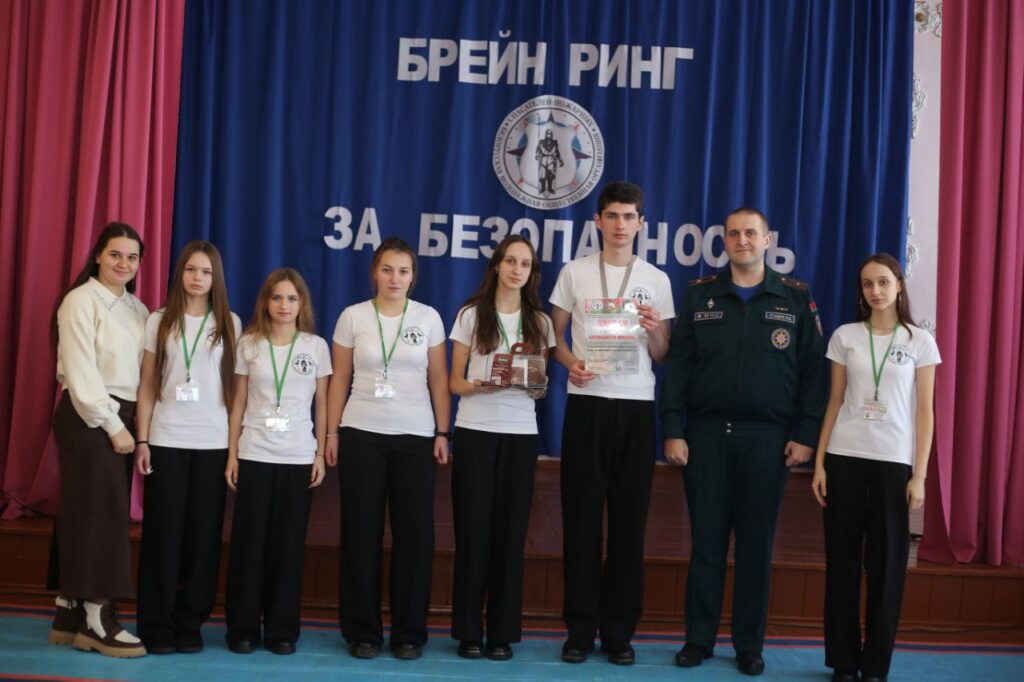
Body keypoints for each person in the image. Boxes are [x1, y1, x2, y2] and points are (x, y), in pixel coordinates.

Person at [660, 207, 826, 676]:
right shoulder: (701, 295)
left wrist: (806, 435)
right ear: (725, 242)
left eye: (751, 233)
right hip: (706, 438)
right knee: (706, 546)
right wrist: (672, 428)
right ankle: (698, 640)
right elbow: (679, 367)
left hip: (767, 440)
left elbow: (814, 374)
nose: (742, 240)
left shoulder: (795, 297)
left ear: (768, 239)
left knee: (756, 548)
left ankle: (749, 645)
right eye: (733, 234)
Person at [549, 180, 674, 665]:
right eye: (613, 216)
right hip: (588, 404)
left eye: (629, 217)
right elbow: (553, 336)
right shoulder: (575, 272)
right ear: (598, 221)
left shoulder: (656, 279)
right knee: (581, 521)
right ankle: (580, 631)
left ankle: (620, 633)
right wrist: (570, 364)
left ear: (641, 224)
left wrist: (655, 330)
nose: (620, 225)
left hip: (636, 408)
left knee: (629, 524)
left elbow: (662, 354)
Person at [811, 253, 939, 682]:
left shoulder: (919, 341)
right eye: (868, 284)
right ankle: (844, 662)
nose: (876, 291)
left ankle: (875, 665)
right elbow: (834, 401)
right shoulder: (845, 336)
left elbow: (925, 412)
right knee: (842, 562)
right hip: (844, 457)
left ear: (899, 285)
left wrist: (919, 475)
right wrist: (820, 464)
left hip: (893, 464)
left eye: (884, 282)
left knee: (887, 566)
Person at [325, 237, 450, 661]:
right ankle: (362, 631)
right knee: (361, 533)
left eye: (403, 271)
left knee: (415, 536)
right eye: (387, 269)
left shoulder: (428, 317)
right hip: (361, 434)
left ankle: (409, 632)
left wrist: (443, 432)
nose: (395, 278)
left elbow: (438, 378)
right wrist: (332, 434)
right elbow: (340, 379)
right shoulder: (352, 316)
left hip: (416, 437)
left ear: (413, 277)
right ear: (374, 273)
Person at [448, 235, 556, 661]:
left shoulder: (540, 322)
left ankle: (502, 633)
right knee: (473, 531)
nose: (516, 269)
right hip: (475, 430)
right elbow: (454, 382)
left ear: (532, 273)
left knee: (511, 536)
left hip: (520, 433)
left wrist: (533, 384)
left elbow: (542, 388)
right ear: (496, 265)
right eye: (510, 261)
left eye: (525, 264)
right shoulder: (471, 315)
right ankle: (468, 632)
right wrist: (479, 385)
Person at [134, 241, 240, 654]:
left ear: (216, 279)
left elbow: (236, 392)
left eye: (206, 272)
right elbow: (147, 385)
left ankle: (190, 622)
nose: (198, 278)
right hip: (166, 439)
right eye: (191, 269)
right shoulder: (160, 320)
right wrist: (143, 439)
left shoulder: (228, 322)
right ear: (180, 273)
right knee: (163, 534)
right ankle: (156, 623)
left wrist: (233, 450)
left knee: (203, 536)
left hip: (212, 442)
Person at [49, 221, 148, 658]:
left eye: (132, 257)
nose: (124, 263)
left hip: (121, 413)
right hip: (90, 413)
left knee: (86, 509)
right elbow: (80, 371)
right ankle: (97, 616)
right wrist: (112, 425)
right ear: (97, 256)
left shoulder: (137, 308)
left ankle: (69, 609)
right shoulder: (80, 301)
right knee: (102, 515)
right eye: (115, 254)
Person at [223, 268, 331, 655]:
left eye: (291, 298)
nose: (284, 305)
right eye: (277, 298)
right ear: (265, 302)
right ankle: (243, 628)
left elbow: (323, 403)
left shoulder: (315, 347)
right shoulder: (249, 344)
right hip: (254, 452)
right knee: (249, 544)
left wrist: (319, 454)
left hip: (298, 456)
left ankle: (282, 630)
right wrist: (232, 454)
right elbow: (238, 401)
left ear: (302, 304)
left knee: (288, 547)